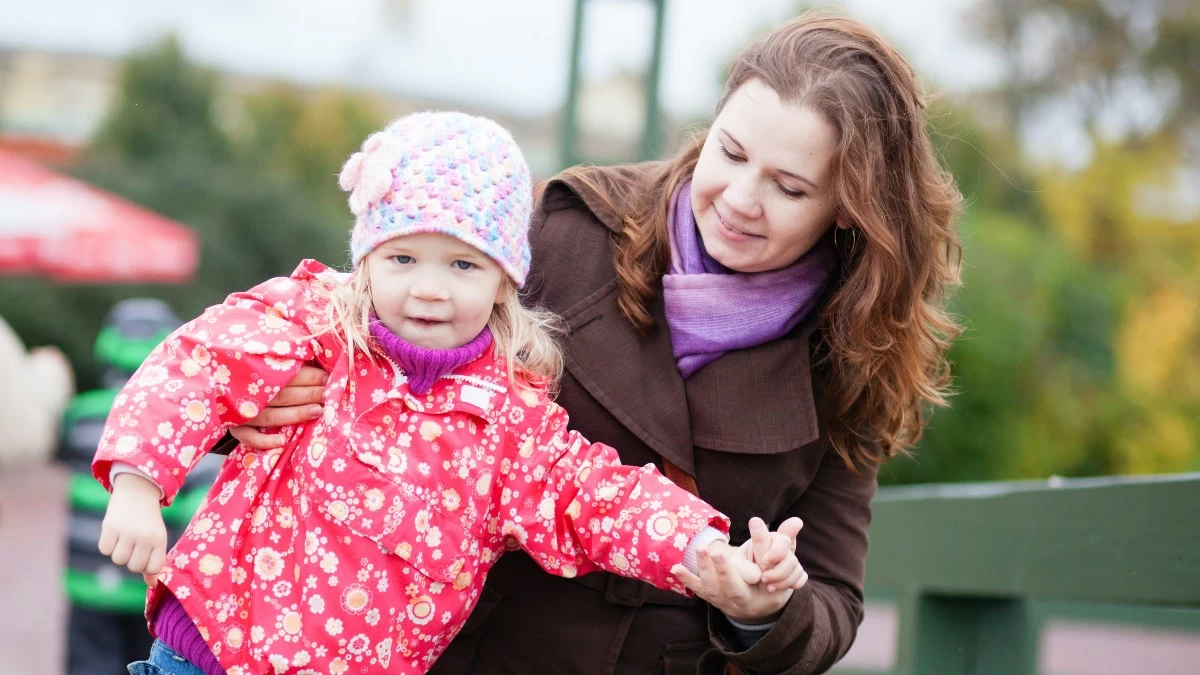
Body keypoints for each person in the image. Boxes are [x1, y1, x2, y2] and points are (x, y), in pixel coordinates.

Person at [234, 12, 964, 674]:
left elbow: (834, 598)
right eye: (731, 152)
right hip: (454, 647)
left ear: (848, 209)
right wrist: (274, 396)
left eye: (790, 188)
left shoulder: (854, 350)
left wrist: (763, 606)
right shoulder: (567, 228)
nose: (741, 198)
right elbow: (359, 315)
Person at [91, 111, 806, 675]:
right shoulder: (313, 328)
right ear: (367, 258)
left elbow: (598, 496)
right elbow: (197, 361)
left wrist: (700, 547)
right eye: (403, 257)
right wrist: (137, 479)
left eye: (462, 264)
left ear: (503, 278)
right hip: (213, 647)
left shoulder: (510, 421)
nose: (429, 287)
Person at [60, 298, 223, 675]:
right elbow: (201, 502)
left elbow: (61, 453)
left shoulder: (81, 414)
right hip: (147, 586)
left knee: (88, 663)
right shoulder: (186, 422)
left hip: (85, 579)